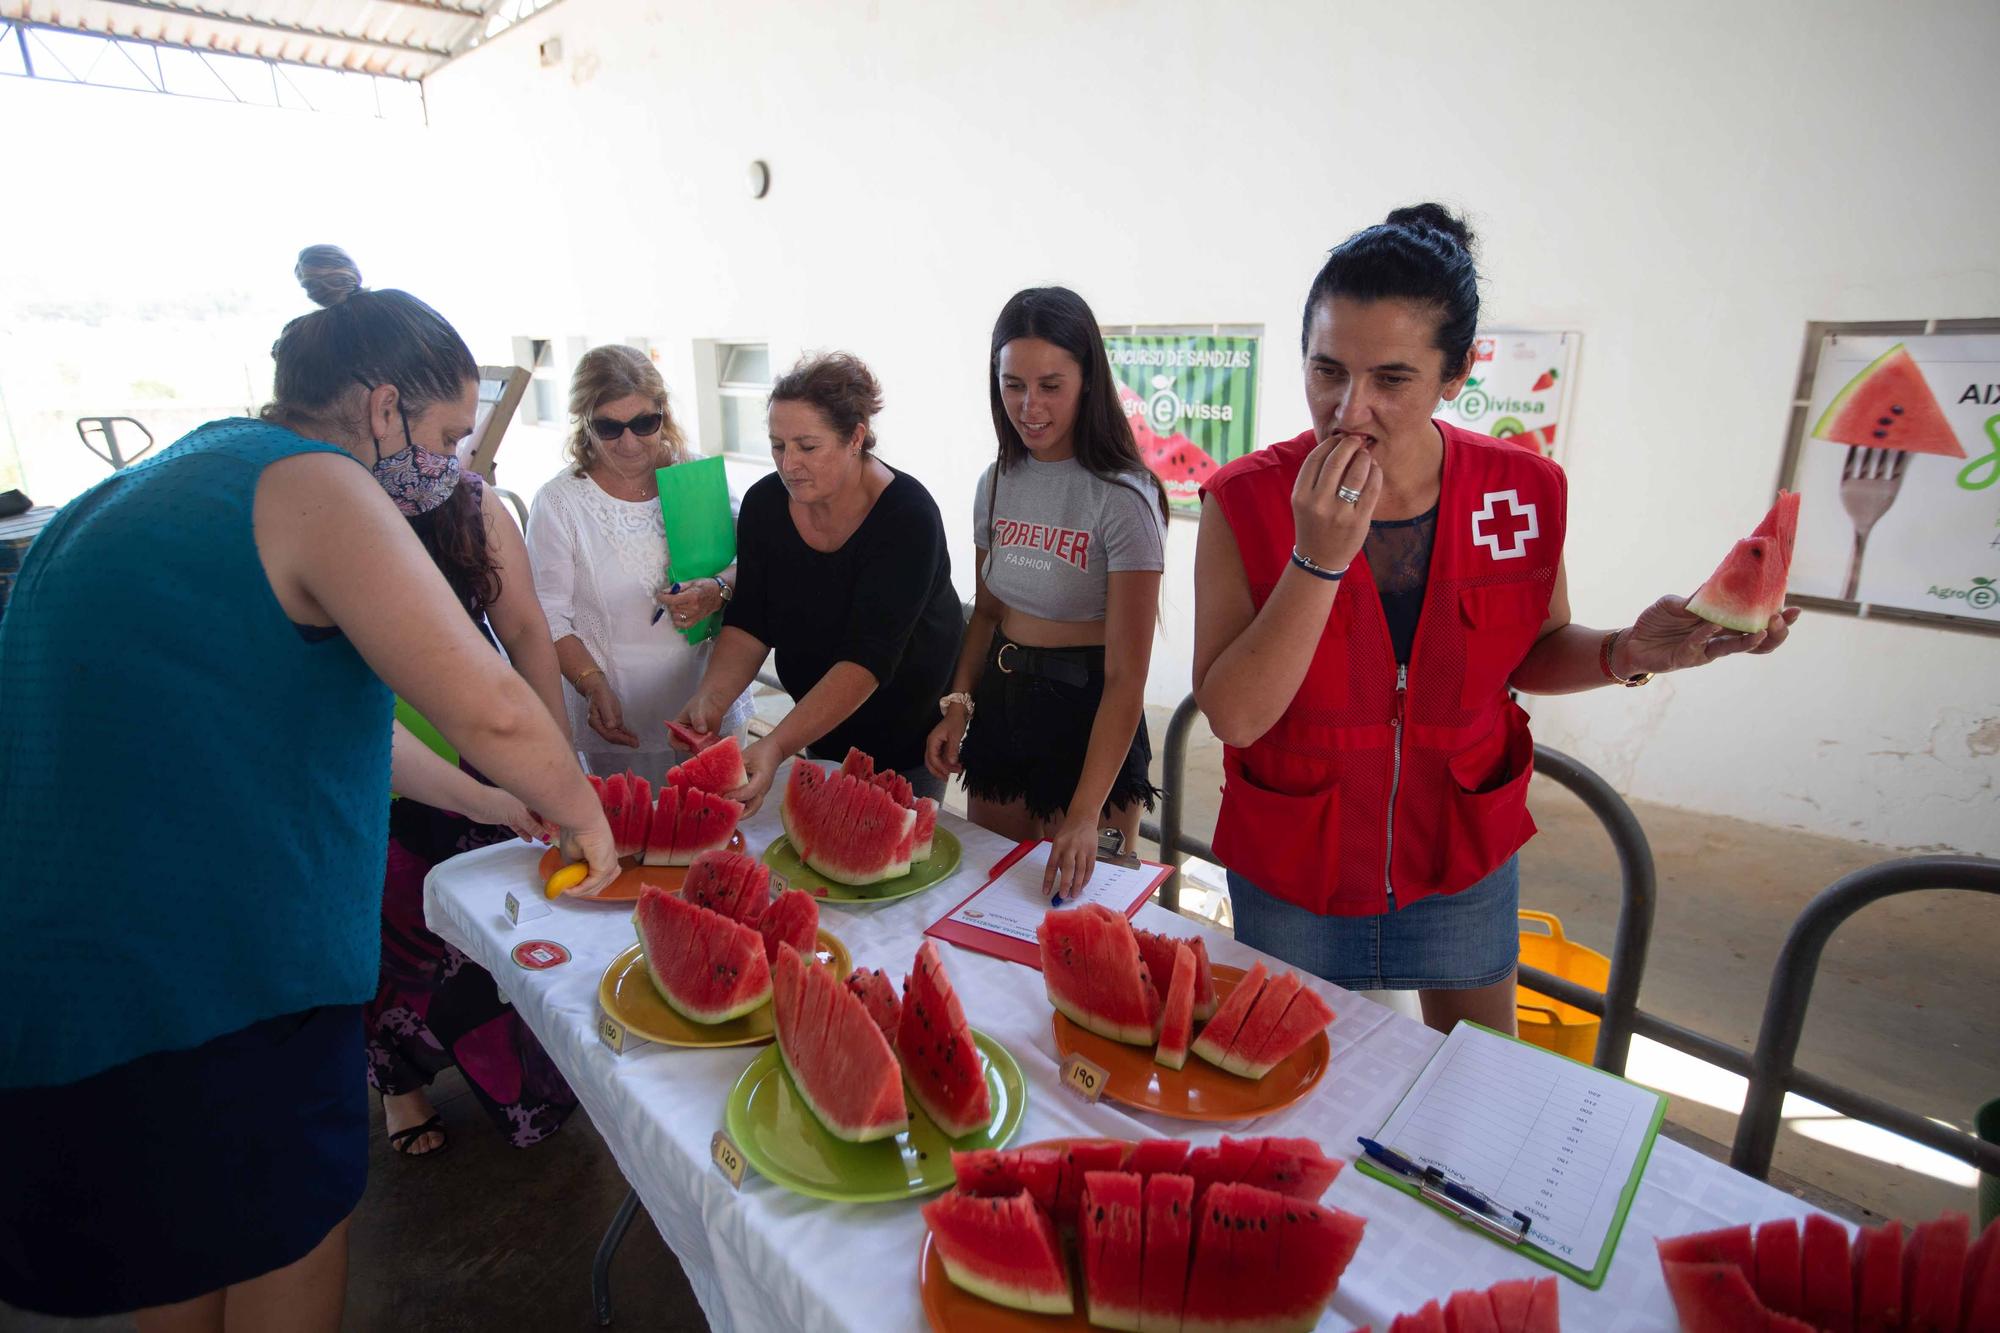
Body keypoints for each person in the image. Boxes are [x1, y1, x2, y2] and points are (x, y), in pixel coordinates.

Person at [0, 245, 617, 1331]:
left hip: (92, 988)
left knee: (178, 1252)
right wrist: (583, 809)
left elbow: (338, 726)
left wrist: (490, 802)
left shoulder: (176, 479)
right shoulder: (317, 483)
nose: (453, 468)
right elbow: (497, 708)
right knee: (286, 1241)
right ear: (383, 409)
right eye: (444, 438)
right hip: (227, 976)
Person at [1193, 205, 1796, 1037]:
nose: (1348, 408)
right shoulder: (1245, 501)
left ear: (1457, 373)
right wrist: (1319, 560)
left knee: (1473, 1088)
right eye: (1327, 369)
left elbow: (1534, 650)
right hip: (1298, 855)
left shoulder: (1524, 491)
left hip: (1461, 852)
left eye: (1391, 379)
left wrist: (1626, 650)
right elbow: (1234, 713)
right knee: (1296, 1085)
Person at [925, 287, 1168, 899]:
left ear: (1088, 379)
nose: (1029, 406)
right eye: (1013, 385)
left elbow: (1128, 678)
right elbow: (987, 613)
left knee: (1076, 918)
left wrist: (1087, 814)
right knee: (991, 900)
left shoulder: (1125, 498)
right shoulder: (997, 481)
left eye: (1050, 385)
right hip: (1004, 706)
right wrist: (959, 705)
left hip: (1091, 716)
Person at [675, 351, 960, 813]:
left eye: (807, 447)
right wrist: (713, 697)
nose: (789, 464)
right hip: (818, 727)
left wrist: (775, 744)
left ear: (855, 438)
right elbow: (751, 618)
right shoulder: (766, 505)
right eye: (777, 445)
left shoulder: (908, 517)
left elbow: (868, 658)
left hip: (907, 735)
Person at [525, 345, 753, 787]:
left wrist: (718, 587)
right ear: (584, 422)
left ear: (663, 414)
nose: (629, 443)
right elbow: (547, 613)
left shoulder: (696, 477)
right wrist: (591, 683)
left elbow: (755, 562)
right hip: (618, 715)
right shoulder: (559, 503)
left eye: (644, 424)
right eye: (609, 427)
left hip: (711, 704)